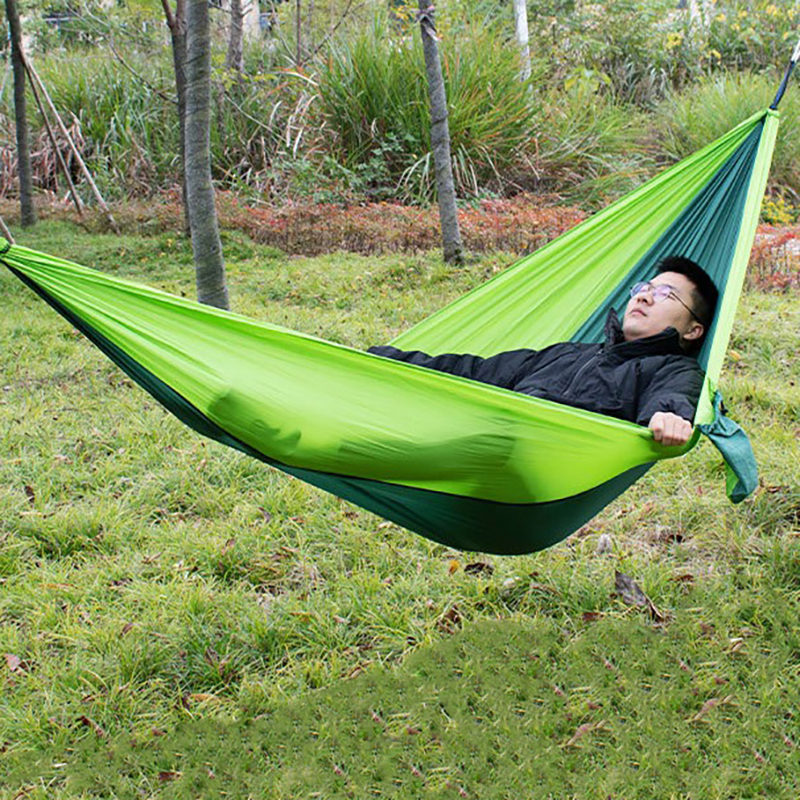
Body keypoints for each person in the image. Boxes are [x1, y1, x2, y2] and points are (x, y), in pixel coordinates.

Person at [369, 256, 719, 448]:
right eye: (644, 288)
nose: (643, 296)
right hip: (477, 436)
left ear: (693, 329)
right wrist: (383, 360)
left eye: (665, 294)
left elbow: (673, 396)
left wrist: (668, 416)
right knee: (369, 445)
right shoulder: (568, 353)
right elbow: (476, 372)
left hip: (540, 455)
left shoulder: (673, 369)